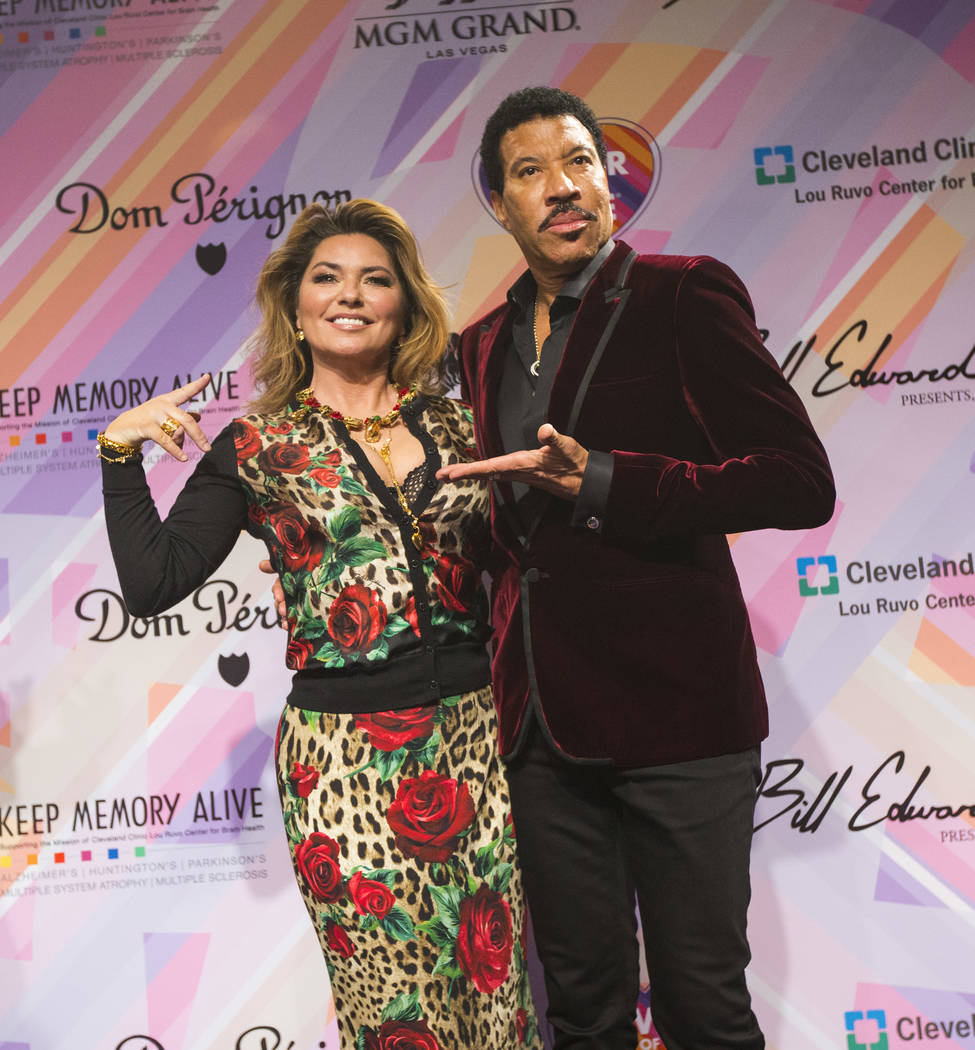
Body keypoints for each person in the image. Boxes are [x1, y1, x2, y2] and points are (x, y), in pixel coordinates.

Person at [434, 87, 837, 1050]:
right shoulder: (477, 346)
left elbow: (797, 483)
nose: (563, 187)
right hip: (539, 732)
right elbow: (516, 533)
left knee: (703, 1005)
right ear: (500, 204)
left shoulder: (682, 293)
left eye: (578, 161)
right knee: (579, 1010)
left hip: (679, 719)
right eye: (530, 172)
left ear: (608, 180)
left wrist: (606, 479)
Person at [98, 199, 542, 1050]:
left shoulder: (465, 424)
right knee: (396, 1017)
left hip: (481, 744)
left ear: (405, 305)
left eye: (375, 279)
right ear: (294, 309)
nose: (350, 294)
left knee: (497, 1005)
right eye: (326, 278)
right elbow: (155, 583)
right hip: (341, 763)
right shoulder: (257, 446)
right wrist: (121, 455)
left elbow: (526, 569)